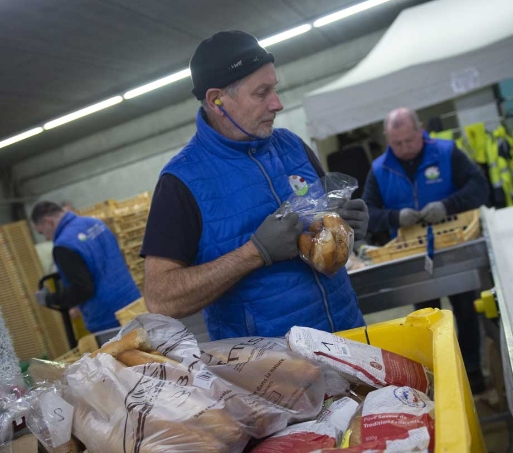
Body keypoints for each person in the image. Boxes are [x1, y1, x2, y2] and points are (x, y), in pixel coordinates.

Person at [140, 30, 367, 341]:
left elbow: (324, 229)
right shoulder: (182, 182)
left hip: (350, 336)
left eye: (274, 89)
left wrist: (345, 229)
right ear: (217, 101)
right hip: (274, 373)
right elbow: (161, 298)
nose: (278, 104)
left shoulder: (292, 146)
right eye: (262, 93)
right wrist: (255, 253)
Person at [362, 107, 489, 392]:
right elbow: (368, 212)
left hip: (453, 248)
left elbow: (480, 187)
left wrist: (448, 205)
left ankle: (473, 374)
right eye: (397, 143)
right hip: (411, 258)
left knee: (465, 313)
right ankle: (435, 379)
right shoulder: (380, 169)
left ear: (420, 129)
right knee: (425, 321)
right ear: (387, 138)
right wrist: (395, 217)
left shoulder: (446, 153)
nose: (405, 148)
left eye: (410, 140)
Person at [31, 201, 140, 333]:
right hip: (133, 302)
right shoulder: (95, 223)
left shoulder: (63, 245)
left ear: (49, 221)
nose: (47, 238)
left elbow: (82, 289)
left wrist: (50, 299)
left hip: (108, 319)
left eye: (42, 233)